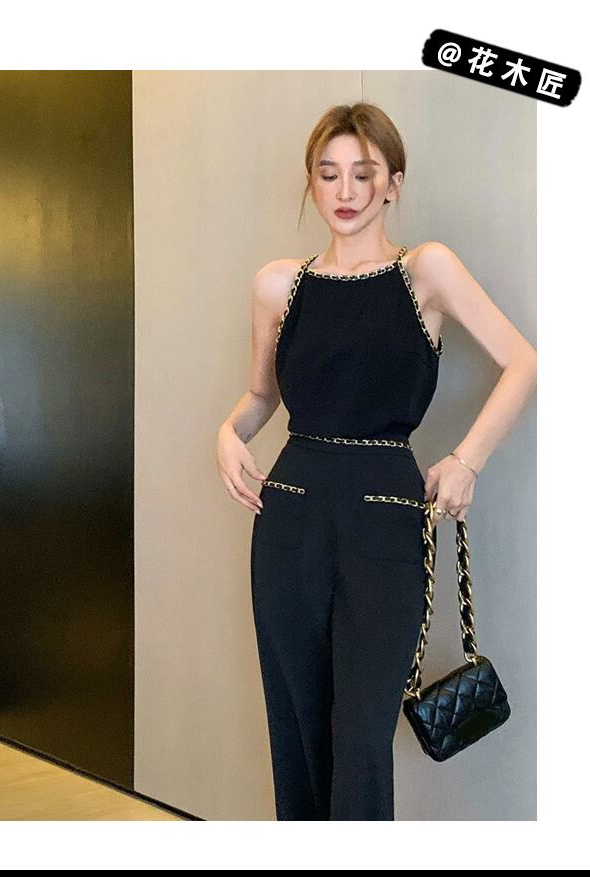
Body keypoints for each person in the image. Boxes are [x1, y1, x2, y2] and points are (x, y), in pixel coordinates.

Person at [215, 102, 537, 821]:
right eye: (328, 173)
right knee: (299, 731)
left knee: (360, 740)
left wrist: (467, 460)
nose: (346, 190)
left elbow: (523, 362)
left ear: (393, 183)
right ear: (310, 182)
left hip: (387, 521)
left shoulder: (425, 270)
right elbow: (262, 395)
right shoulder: (278, 285)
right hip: (289, 518)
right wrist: (228, 434)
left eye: (364, 173)